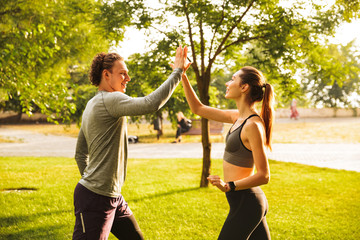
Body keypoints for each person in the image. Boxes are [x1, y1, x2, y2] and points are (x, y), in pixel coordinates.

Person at [73, 45, 188, 240]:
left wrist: (98, 184)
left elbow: (80, 154)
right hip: (97, 198)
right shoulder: (111, 100)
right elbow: (150, 103)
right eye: (123, 74)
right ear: (106, 75)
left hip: (113, 197)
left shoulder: (91, 104)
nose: (128, 78)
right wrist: (178, 72)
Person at [181, 65, 274, 239]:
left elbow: (264, 175)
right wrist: (182, 75)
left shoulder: (252, 125)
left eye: (232, 79)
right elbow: (198, 109)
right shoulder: (237, 117)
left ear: (244, 87)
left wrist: (229, 185)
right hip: (245, 202)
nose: (227, 83)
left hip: (247, 202)